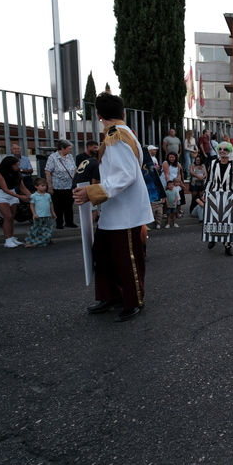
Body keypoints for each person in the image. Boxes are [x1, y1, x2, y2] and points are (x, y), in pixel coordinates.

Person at [73, 93, 153, 323]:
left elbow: (125, 175)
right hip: (115, 209)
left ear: (99, 115)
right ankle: (112, 295)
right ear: (123, 113)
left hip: (125, 212)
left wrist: (92, 192)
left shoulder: (116, 136)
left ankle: (133, 300)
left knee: (127, 259)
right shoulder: (122, 133)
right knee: (103, 254)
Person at [204, 141, 233, 256]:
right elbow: (209, 180)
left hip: (229, 195)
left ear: (230, 151)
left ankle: (228, 246)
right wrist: (206, 193)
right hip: (215, 194)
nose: (222, 151)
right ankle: (213, 238)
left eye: (225, 149)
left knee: (228, 221)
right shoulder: (213, 163)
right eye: (220, 149)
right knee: (213, 218)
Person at [0, 156, 32, 248]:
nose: (18, 167)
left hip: (12, 192)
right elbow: (4, 189)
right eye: (16, 165)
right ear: (9, 165)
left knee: (12, 217)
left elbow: (22, 187)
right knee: (8, 216)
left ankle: (12, 237)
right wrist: (20, 197)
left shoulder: (17, 173)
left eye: (18, 165)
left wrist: (33, 197)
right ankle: (7, 239)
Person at [44, 140, 77, 229]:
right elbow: (48, 171)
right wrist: (49, 186)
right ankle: (59, 223)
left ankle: (69, 222)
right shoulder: (53, 157)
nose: (70, 150)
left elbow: (74, 169)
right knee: (58, 205)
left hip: (69, 184)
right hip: (57, 185)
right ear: (62, 148)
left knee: (69, 204)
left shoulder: (70, 156)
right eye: (69, 148)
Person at [24, 178, 56, 248]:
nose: (44, 187)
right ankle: (31, 242)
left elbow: (51, 204)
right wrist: (34, 214)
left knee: (48, 229)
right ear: (36, 186)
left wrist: (53, 212)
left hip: (47, 215)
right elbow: (32, 205)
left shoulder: (48, 195)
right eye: (42, 185)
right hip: (39, 215)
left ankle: (47, 240)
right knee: (37, 230)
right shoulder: (34, 196)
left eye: (45, 186)